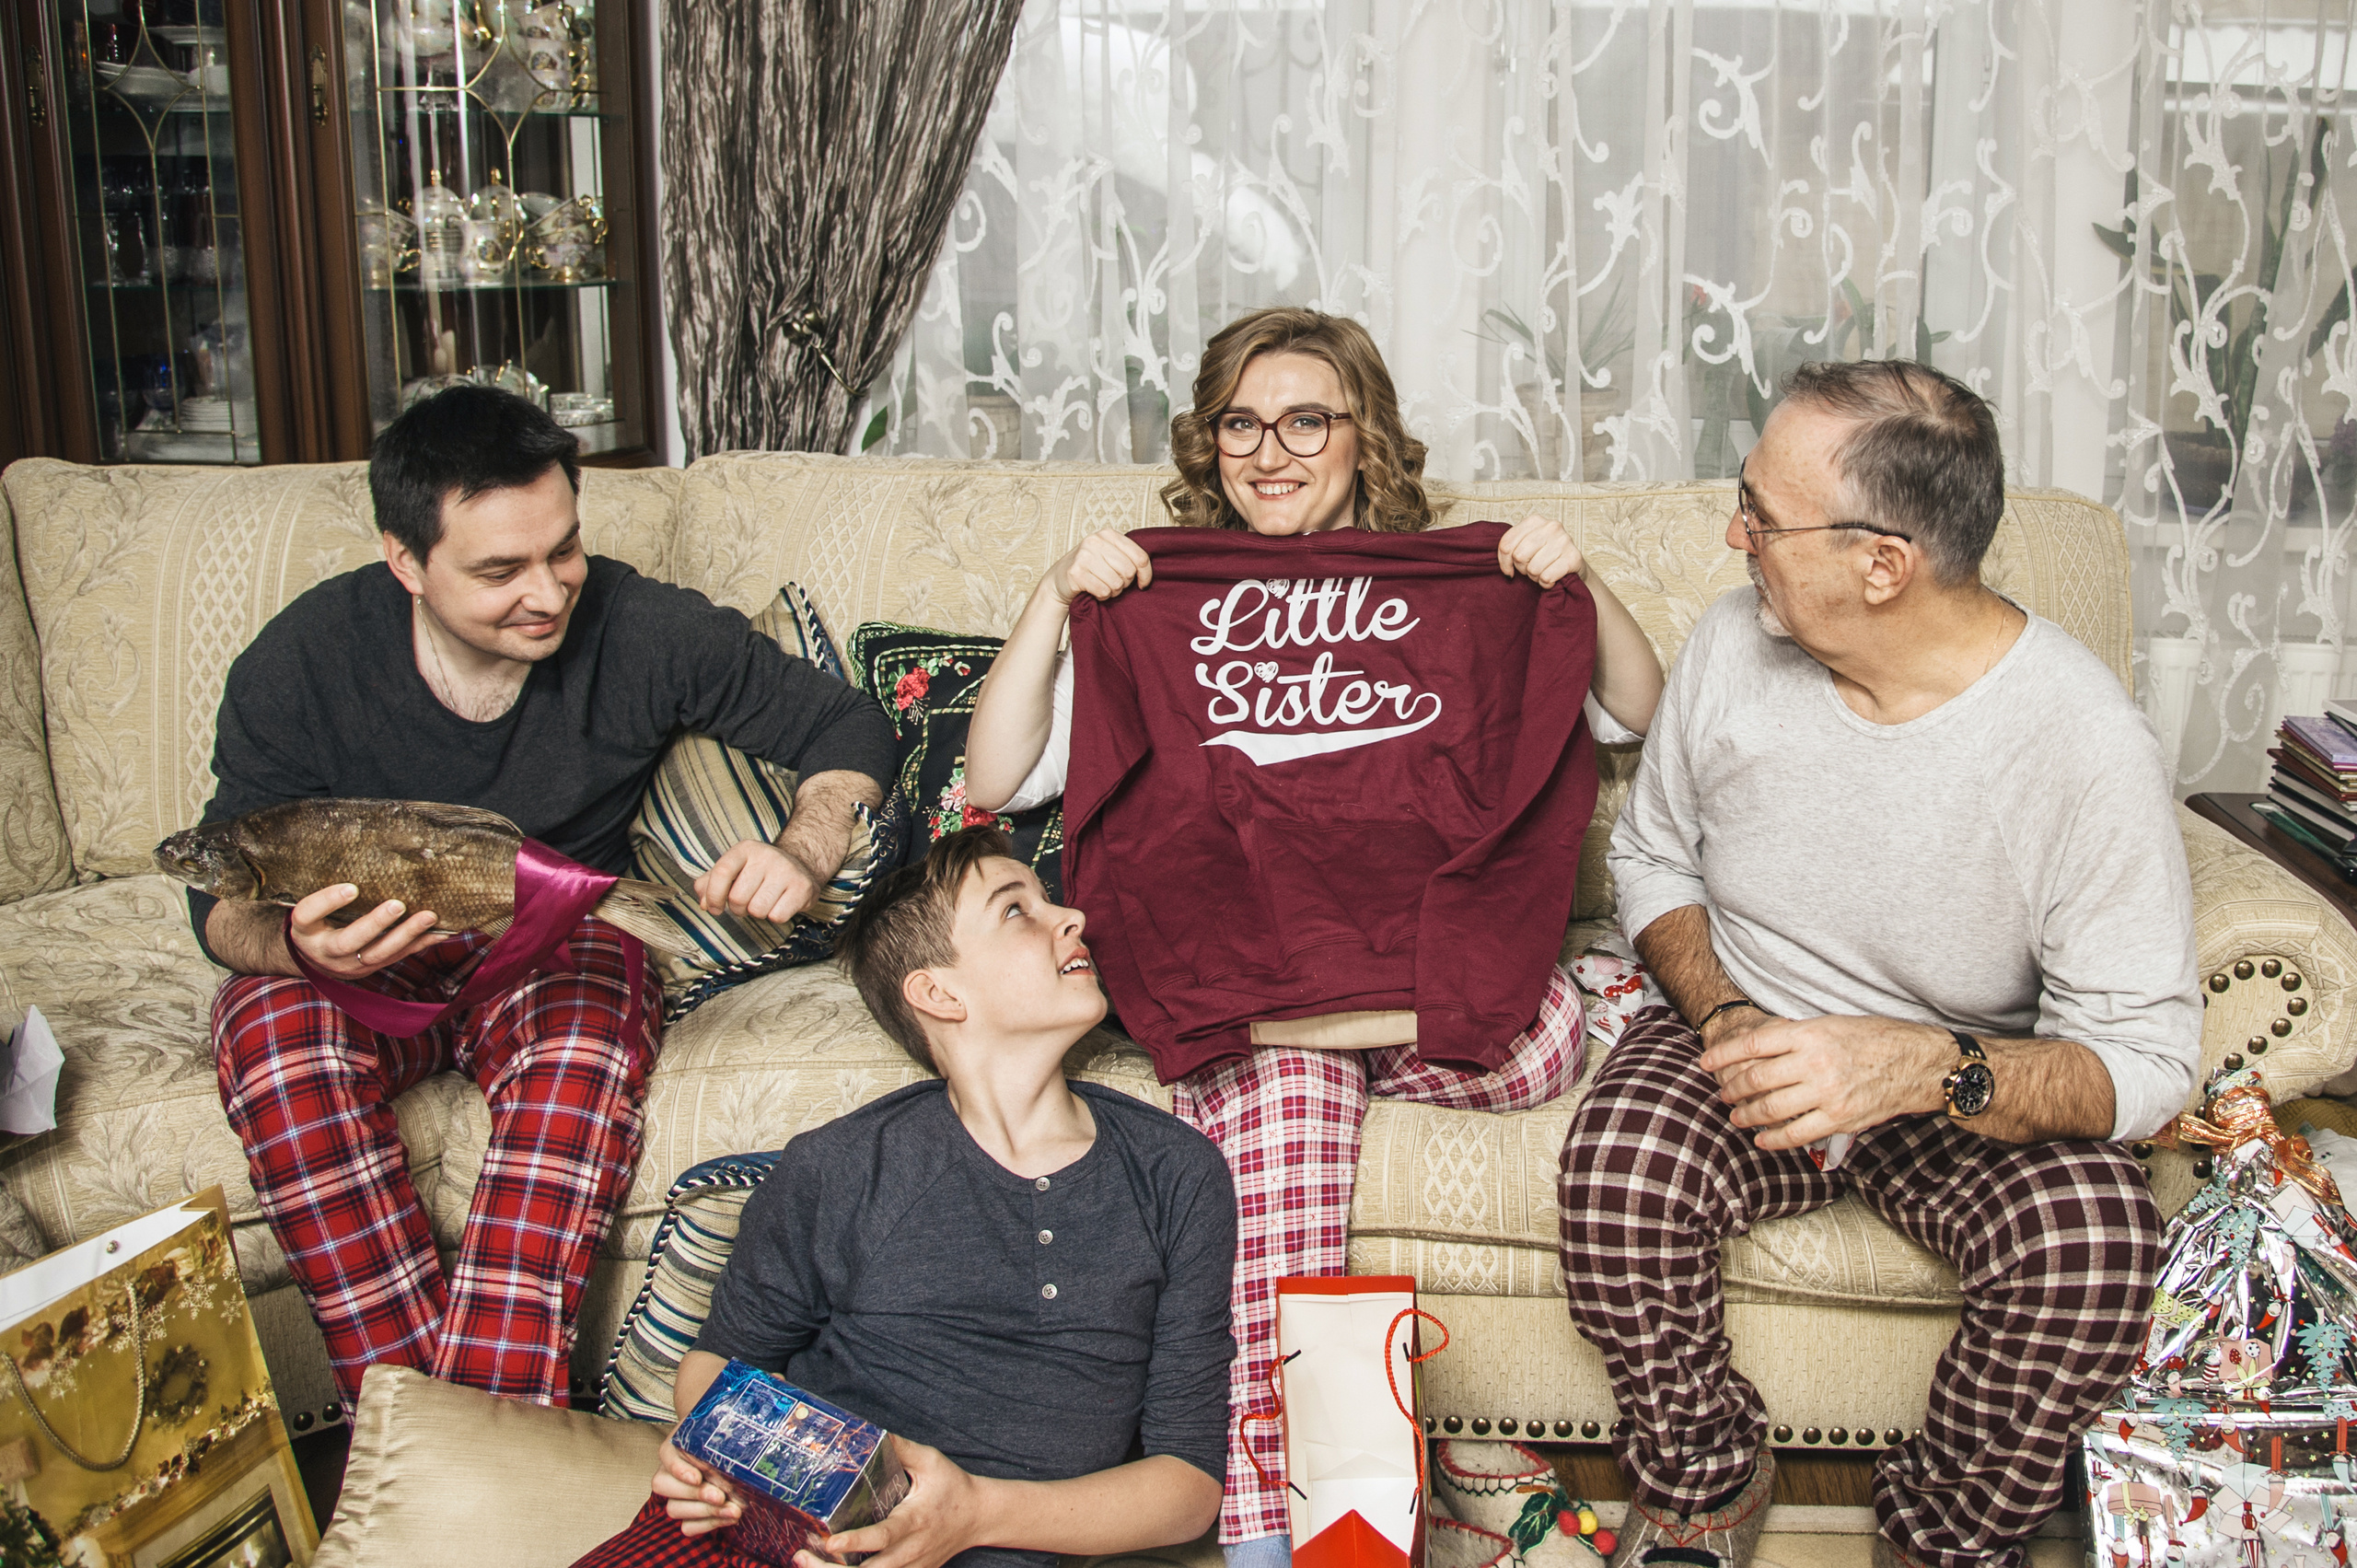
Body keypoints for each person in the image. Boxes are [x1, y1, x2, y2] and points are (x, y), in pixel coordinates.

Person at [961, 306, 1667, 1563]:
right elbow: (1001, 774)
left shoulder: (1461, 578)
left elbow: (1634, 706)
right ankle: (1278, 1545)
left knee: (1518, 1036)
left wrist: (1575, 577)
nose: (1270, 449)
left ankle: (1384, 1015)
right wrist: (1050, 595)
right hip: (1266, 982)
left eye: (1305, 420)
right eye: (1242, 421)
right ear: (1208, 437)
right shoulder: (1155, 589)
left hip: (1416, 980)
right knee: (1289, 1101)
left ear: (1365, 436)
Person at [1562, 360, 2199, 1568]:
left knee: (2094, 1245)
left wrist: (1923, 1065)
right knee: (1619, 1170)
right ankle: (1705, 1479)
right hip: (1746, 1018)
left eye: (1762, 509)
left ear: (1883, 563)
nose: (1734, 530)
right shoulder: (1733, 640)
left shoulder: (2082, 741)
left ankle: (1945, 1531)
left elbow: (2150, 1059)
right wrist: (1726, 1012)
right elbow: (1653, 856)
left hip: (1960, 1074)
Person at [198, 386, 896, 1408]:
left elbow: (848, 727)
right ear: (406, 563)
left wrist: (804, 842)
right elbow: (218, 903)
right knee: (267, 1034)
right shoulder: (300, 660)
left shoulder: (639, 625)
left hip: (550, 945)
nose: (547, 591)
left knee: (591, 1026)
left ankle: (494, 1434)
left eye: (561, 549)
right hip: (356, 954)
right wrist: (300, 948)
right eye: (498, 569)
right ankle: (418, 1432)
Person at [574, 826, 1234, 1568]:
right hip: (779, 1539)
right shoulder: (845, 1164)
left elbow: (1188, 1487)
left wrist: (973, 1512)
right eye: (1018, 910)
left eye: (1050, 900)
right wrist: (722, 1457)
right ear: (938, 991)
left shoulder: (1177, 1172)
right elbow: (716, 1366)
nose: (1071, 918)